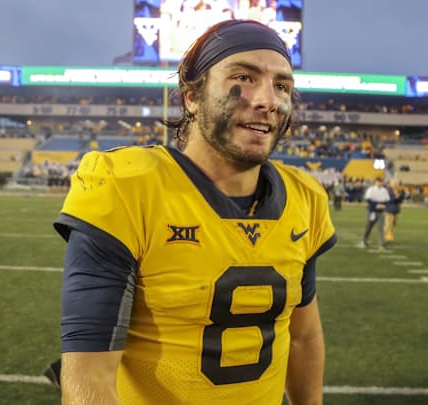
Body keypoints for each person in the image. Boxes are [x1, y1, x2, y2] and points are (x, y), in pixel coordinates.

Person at [48, 19, 336, 404]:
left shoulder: (305, 198)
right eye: (244, 78)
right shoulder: (127, 187)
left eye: (281, 85)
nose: (268, 100)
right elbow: (88, 375)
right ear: (191, 96)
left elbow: (302, 336)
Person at [357, 176, 390, 250]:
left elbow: (387, 200)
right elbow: (368, 200)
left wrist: (383, 205)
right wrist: (377, 205)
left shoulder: (384, 190)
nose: (380, 183)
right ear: (376, 182)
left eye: (381, 181)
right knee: (368, 227)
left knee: (381, 228)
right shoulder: (371, 189)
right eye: (379, 181)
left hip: (381, 211)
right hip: (372, 211)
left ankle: (382, 244)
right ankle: (364, 241)